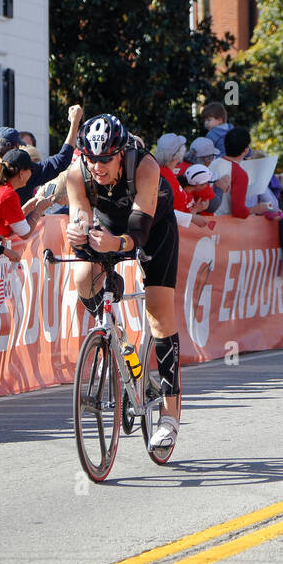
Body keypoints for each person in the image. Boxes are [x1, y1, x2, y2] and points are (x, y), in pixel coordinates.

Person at [65, 113, 183, 454]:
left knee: (158, 312)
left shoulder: (144, 166)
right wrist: (79, 234)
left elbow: (139, 232)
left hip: (152, 227)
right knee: (83, 278)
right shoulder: (77, 173)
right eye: (92, 158)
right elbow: (81, 220)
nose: (98, 167)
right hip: (108, 225)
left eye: (106, 159)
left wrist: (114, 245)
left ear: (120, 152)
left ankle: (169, 416)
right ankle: (117, 341)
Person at [0, 103, 83, 208]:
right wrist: (75, 122)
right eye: (20, 146)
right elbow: (62, 160)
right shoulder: (21, 171)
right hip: (20, 223)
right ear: (14, 148)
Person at [0, 149, 46, 243]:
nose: (32, 173)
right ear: (21, 173)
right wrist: (38, 210)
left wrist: (25, 209)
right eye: (31, 170)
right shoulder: (8, 194)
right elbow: (25, 234)